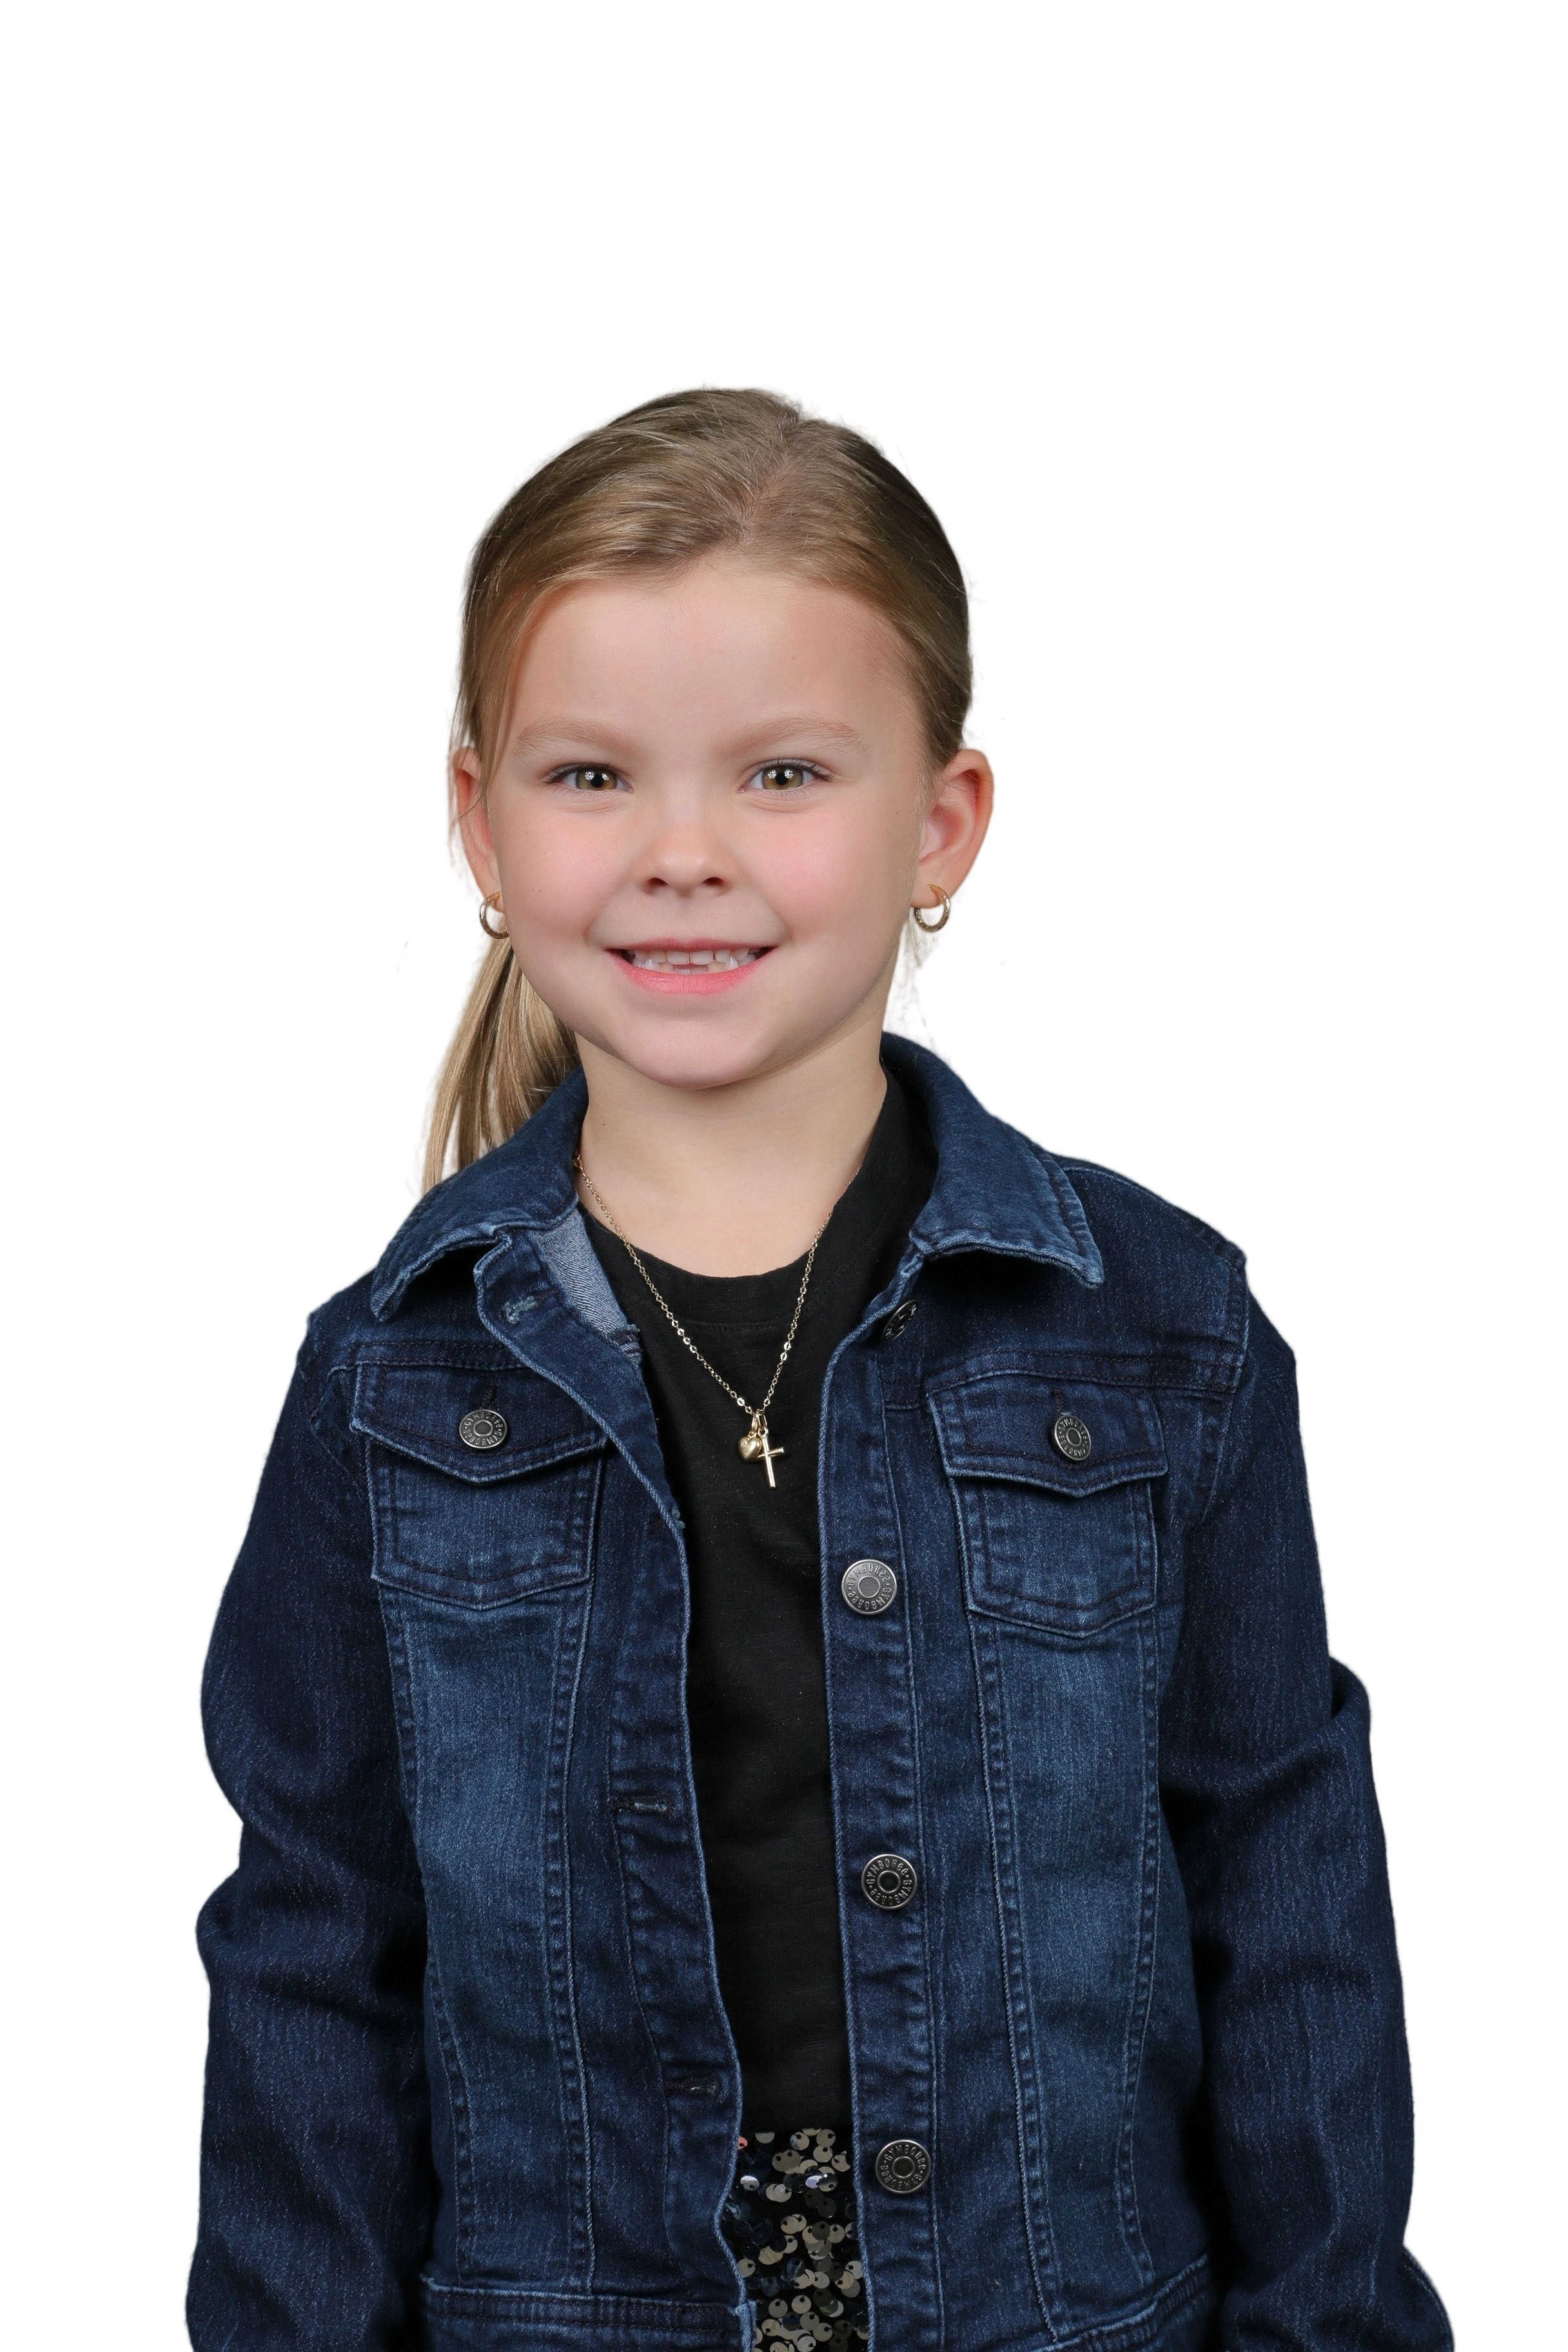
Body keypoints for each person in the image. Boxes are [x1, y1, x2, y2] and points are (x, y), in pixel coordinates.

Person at [183, 379, 1455, 2352]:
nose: (683, 853)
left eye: (782, 773)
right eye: (593, 776)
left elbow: (1289, 1903)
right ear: (477, 827)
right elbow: (312, 1961)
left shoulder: (1167, 1325)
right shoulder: (384, 1382)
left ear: (942, 824)